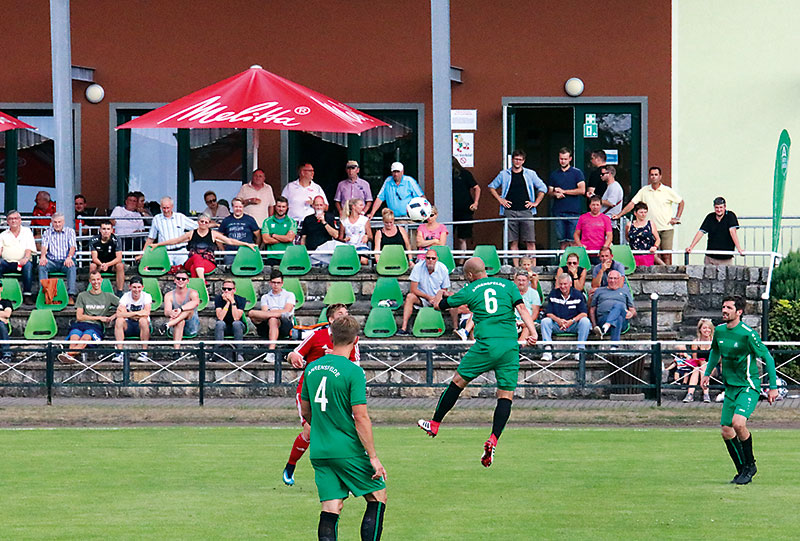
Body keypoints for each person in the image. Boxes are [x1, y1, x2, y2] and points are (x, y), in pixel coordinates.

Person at [418, 257, 538, 468]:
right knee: (505, 395)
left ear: (470, 276)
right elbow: (523, 310)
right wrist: (533, 332)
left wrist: (440, 294)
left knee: (457, 382)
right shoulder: (508, 285)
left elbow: (439, 306)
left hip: (485, 346)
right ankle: (493, 439)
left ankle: (435, 423)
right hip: (509, 346)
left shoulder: (471, 289)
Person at [300, 316, 387, 541]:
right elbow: (361, 417)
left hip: (320, 450)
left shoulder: (311, 368)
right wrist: (374, 457)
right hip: (346, 448)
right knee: (378, 495)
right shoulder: (353, 372)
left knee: (331, 506)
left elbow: (306, 411)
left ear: (331, 336)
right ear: (356, 340)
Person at [700, 296, 778, 485]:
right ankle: (742, 470)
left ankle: (750, 466)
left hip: (748, 386)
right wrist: (707, 373)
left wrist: (773, 387)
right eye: (723, 307)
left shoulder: (747, 334)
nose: (724, 310)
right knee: (726, 430)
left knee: (738, 423)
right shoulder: (718, 331)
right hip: (731, 388)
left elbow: (767, 358)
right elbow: (715, 352)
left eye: (728, 308)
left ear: (739, 312)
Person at [282, 303, 359, 487]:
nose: (345, 316)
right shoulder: (317, 336)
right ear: (331, 320)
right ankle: (290, 466)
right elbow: (294, 353)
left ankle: (341, 476)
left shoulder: (352, 339)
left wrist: (337, 357)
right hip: (310, 391)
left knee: (340, 431)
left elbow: (356, 366)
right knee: (310, 431)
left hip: (336, 394)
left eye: (347, 313)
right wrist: (293, 356)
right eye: (341, 314)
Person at [613, 166, 684, 265]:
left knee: (666, 254)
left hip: (666, 227)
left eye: (656, 175)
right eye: (652, 175)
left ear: (660, 176)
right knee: (652, 254)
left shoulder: (667, 190)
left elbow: (681, 202)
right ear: (649, 176)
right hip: (650, 228)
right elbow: (632, 203)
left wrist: (677, 218)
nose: (654, 177)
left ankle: (668, 274)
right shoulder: (644, 190)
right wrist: (619, 215)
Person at [488, 149, 547, 266]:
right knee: (513, 241)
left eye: (520, 159)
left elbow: (543, 188)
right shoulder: (504, 174)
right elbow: (491, 187)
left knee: (530, 240)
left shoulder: (530, 174)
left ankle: (533, 267)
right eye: (516, 159)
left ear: (523, 161)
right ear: (512, 160)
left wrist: (535, 203)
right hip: (510, 211)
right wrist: (500, 200)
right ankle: (516, 267)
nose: (518, 162)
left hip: (526, 211)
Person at [152, 214, 256, 280]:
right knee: (197, 257)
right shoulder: (191, 233)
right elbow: (175, 240)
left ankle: (196, 289)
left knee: (194, 268)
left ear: (209, 223)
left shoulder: (213, 234)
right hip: (192, 260)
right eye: (202, 221)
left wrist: (246, 244)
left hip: (208, 262)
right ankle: (202, 282)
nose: (204, 224)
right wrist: (158, 244)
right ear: (198, 222)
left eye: (206, 222)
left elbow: (229, 241)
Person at [57, 271, 119, 365]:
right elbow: (79, 316)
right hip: (81, 324)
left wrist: (113, 316)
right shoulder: (82, 295)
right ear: (90, 281)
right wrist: (99, 317)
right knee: (74, 337)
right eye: (93, 280)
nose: (96, 282)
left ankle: (68, 354)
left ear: (101, 280)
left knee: (86, 337)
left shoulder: (108, 296)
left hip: (95, 326)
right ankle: (70, 355)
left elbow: (124, 305)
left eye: (98, 279)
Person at [397, 249, 457, 336]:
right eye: (428, 258)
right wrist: (428, 297)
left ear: (437, 259)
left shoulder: (443, 268)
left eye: (433, 258)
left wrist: (436, 299)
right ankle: (404, 328)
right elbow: (413, 289)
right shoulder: (418, 267)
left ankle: (455, 328)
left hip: (438, 298)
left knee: (452, 298)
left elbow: (444, 289)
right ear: (425, 258)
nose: (430, 260)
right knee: (410, 296)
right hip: (422, 298)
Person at [541, 273, 592, 360]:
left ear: (570, 284)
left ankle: (580, 349)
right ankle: (547, 350)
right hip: (558, 325)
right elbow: (548, 313)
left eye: (565, 284)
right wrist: (559, 321)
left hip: (573, 324)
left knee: (585, 321)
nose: (563, 286)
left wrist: (571, 321)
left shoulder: (578, 294)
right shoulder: (553, 294)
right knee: (545, 321)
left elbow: (584, 313)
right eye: (561, 284)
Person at [686, 197, 745, 265]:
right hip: (710, 257)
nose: (719, 210)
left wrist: (739, 249)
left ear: (725, 207)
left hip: (725, 259)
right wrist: (691, 247)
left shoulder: (730, 216)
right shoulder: (710, 217)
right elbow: (701, 232)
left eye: (721, 207)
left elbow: (733, 232)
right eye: (717, 207)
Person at [142, 196, 197, 269]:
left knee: (184, 272)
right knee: (167, 273)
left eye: (168, 208)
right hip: (165, 252)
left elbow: (197, 226)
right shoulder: (157, 219)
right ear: (161, 207)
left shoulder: (180, 217)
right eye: (164, 208)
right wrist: (142, 253)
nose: (166, 210)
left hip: (181, 251)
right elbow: (151, 238)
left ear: (172, 207)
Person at [249, 269, 295, 352]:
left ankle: (271, 351)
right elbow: (265, 314)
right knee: (251, 313)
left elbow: (287, 311)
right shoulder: (265, 297)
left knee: (272, 319)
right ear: (270, 283)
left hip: (286, 325)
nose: (276, 285)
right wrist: (278, 313)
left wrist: (272, 312)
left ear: (282, 283)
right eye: (274, 282)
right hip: (267, 325)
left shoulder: (289, 295)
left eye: (278, 283)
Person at [548, 147, 585, 249]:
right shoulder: (554, 174)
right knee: (562, 241)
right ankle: (563, 263)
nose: (563, 161)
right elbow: (549, 191)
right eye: (561, 159)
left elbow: (582, 190)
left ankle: (574, 263)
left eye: (565, 159)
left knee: (573, 241)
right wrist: (555, 194)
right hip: (558, 212)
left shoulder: (577, 173)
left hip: (573, 212)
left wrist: (564, 191)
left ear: (570, 159)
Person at [38, 212, 78, 303]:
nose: (57, 224)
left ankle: (71, 295)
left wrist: (69, 257)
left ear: (63, 222)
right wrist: (43, 256)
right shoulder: (47, 232)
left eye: (59, 222)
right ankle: (44, 293)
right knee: (42, 266)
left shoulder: (70, 231)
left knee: (71, 266)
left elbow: (72, 247)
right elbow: (44, 246)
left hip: (65, 260)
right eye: (55, 222)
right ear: (52, 222)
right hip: (52, 261)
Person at [589, 270, 636, 344]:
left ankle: (608, 324)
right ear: (607, 279)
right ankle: (614, 347)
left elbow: (633, 310)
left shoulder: (625, 291)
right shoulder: (599, 291)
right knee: (618, 318)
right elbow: (592, 309)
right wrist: (594, 326)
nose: (612, 281)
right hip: (603, 319)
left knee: (619, 305)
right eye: (610, 278)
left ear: (619, 279)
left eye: (615, 278)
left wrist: (631, 313)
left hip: (622, 322)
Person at [0, 210, 37, 303]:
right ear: (7, 222)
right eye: (11, 219)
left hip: (22, 262)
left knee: (28, 266)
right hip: (7, 262)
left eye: (16, 218)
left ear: (20, 220)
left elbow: (29, 249)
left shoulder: (27, 232)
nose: (13, 221)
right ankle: (0, 295)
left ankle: (27, 295)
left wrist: (25, 258)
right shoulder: (2, 235)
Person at [113, 275, 152, 362]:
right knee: (119, 321)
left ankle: (144, 352)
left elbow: (146, 313)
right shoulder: (125, 296)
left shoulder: (147, 296)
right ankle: (119, 352)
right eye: (134, 287)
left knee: (143, 320)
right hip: (129, 325)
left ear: (142, 287)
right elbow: (119, 314)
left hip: (141, 325)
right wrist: (137, 314)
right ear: (130, 287)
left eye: (139, 287)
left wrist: (128, 314)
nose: (136, 290)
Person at [162, 270, 200, 349]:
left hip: (191, 326)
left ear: (187, 281)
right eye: (178, 278)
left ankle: (168, 325)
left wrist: (180, 309)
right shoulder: (169, 295)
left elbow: (195, 303)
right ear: (174, 280)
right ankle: (176, 351)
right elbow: (167, 312)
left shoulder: (193, 293)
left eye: (183, 279)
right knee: (180, 321)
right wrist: (172, 313)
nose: (180, 280)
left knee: (189, 309)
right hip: (176, 326)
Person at [218, 198, 261, 265]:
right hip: (231, 254)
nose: (238, 209)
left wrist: (256, 247)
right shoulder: (226, 220)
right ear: (232, 207)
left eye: (240, 207)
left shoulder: (250, 219)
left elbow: (258, 235)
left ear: (243, 207)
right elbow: (218, 237)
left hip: (247, 251)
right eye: (236, 207)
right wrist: (224, 251)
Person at [452, 157, 480, 254]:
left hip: (464, 210)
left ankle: (462, 261)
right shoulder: (443, 174)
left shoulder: (464, 173)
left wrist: (475, 203)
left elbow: (477, 188)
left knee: (462, 238)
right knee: (446, 235)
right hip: (449, 210)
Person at [214, 279, 247, 360]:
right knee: (219, 324)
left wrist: (232, 302)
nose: (226, 291)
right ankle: (218, 353)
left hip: (238, 326)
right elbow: (220, 317)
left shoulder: (241, 299)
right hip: (225, 326)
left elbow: (236, 318)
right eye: (224, 289)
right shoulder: (218, 299)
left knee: (236, 324)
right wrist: (227, 303)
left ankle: (239, 353)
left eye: (229, 289)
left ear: (234, 290)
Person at [301, 196, 340, 264]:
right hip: (311, 254)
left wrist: (324, 222)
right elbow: (303, 237)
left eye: (321, 205)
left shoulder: (330, 217)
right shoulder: (307, 219)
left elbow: (336, 235)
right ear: (313, 206)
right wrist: (303, 252)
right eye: (316, 205)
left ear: (324, 206)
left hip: (326, 254)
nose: (319, 207)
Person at [90, 220, 125, 294]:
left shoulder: (116, 240)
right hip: (99, 265)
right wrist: (102, 265)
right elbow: (94, 258)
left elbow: (119, 258)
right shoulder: (94, 240)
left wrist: (107, 264)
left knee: (120, 265)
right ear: (100, 230)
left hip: (112, 265)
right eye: (104, 229)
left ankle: (119, 292)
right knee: (92, 265)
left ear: (112, 230)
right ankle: (92, 289)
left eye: (108, 229)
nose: (106, 231)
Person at [574, 196, 612, 263]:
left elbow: (609, 235)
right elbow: (576, 234)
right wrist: (580, 245)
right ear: (590, 206)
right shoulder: (583, 218)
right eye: (593, 205)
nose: (595, 207)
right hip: (585, 251)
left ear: (600, 206)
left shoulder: (606, 218)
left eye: (597, 205)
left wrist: (604, 248)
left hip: (599, 252)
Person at [262, 196, 298, 265]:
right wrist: (284, 238)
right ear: (275, 207)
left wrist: (273, 235)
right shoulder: (267, 221)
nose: (281, 209)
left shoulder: (292, 222)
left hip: (288, 256)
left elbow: (290, 238)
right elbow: (266, 240)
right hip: (272, 257)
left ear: (287, 208)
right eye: (279, 206)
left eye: (283, 207)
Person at [625, 201, 663, 266]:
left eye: (645, 212)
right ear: (635, 213)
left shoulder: (650, 224)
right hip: (634, 255)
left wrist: (655, 247)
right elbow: (627, 237)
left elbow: (658, 239)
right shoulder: (629, 225)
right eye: (641, 212)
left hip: (647, 254)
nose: (643, 214)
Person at [338, 198, 372, 264]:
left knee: (363, 260)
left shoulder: (364, 220)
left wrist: (367, 236)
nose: (363, 207)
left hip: (361, 246)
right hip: (349, 247)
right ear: (354, 207)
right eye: (361, 205)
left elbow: (371, 237)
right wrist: (344, 240)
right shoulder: (344, 221)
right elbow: (340, 238)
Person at [689, 318, 715, 403]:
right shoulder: (696, 342)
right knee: (697, 369)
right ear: (700, 329)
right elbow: (694, 359)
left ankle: (705, 393)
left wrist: (707, 364)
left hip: (713, 367)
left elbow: (718, 359)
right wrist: (702, 363)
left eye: (709, 328)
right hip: (699, 366)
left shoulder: (715, 342)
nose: (707, 330)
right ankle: (690, 394)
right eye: (704, 328)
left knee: (703, 368)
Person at [513, 269, 541, 342]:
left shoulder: (534, 293)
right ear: (515, 281)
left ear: (528, 281)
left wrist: (526, 322)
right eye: (519, 280)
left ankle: (519, 348)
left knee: (528, 327)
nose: (521, 282)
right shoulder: (511, 292)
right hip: (514, 320)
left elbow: (535, 313)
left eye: (523, 280)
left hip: (528, 320)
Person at [0, 281, 13, 360]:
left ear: (1, 289)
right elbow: (4, 315)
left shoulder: (6, 302)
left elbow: (7, 314)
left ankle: (6, 353)